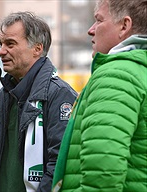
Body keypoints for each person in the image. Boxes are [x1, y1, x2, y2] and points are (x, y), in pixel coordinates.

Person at [0, 11, 77, 192]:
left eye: (10, 44)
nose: (1, 51)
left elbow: (60, 164)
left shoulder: (60, 95)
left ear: (37, 48)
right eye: (1, 43)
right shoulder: (3, 95)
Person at [52, 0, 147, 191]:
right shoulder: (139, 71)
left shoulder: (116, 75)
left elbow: (103, 176)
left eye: (99, 20)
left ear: (124, 26)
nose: (91, 29)